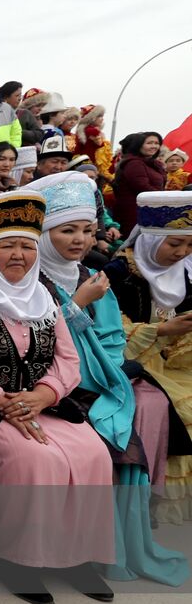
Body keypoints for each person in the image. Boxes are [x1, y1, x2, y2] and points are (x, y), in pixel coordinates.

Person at [0, 191, 117, 604]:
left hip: (43, 408)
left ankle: (79, 557)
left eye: (27, 245)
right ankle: (17, 560)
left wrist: (43, 396)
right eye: (6, 245)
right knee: (34, 460)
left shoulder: (43, 298)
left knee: (93, 454)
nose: (18, 255)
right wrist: (3, 402)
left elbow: (68, 360)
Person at [29, 176, 189, 584]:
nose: (80, 239)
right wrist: (79, 306)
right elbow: (31, 344)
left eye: (87, 230)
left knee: (141, 408)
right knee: (107, 430)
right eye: (67, 230)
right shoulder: (28, 279)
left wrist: (106, 367)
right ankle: (75, 548)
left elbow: (113, 339)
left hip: (97, 378)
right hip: (48, 381)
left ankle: (113, 543)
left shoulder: (90, 274)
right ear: (44, 233)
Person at [107, 191, 192, 523]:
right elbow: (112, 330)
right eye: (174, 244)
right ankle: (154, 499)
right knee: (181, 405)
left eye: (188, 246)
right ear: (152, 237)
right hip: (135, 361)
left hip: (180, 357)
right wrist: (161, 332)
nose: (182, 253)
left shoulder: (186, 271)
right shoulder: (120, 272)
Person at [111, 132, 167, 234]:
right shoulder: (134, 163)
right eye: (149, 143)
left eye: (156, 143)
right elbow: (142, 187)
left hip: (150, 209)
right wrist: (165, 197)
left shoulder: (151, 163)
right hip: (135, 213)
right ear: (139, 145)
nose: (154, 146)